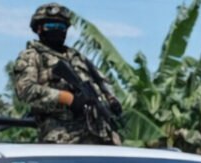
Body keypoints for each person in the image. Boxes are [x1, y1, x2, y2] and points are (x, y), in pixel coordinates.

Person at [12, 3, 122, 145]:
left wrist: (111, 100)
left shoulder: (78, 57)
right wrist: (67, 98)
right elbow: (26, 90)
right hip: (63, 138)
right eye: (51, 26)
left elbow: (102, 82)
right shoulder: (32, 56)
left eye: (62, 27)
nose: (57, 30)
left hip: (99, 134)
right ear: (39, 29)